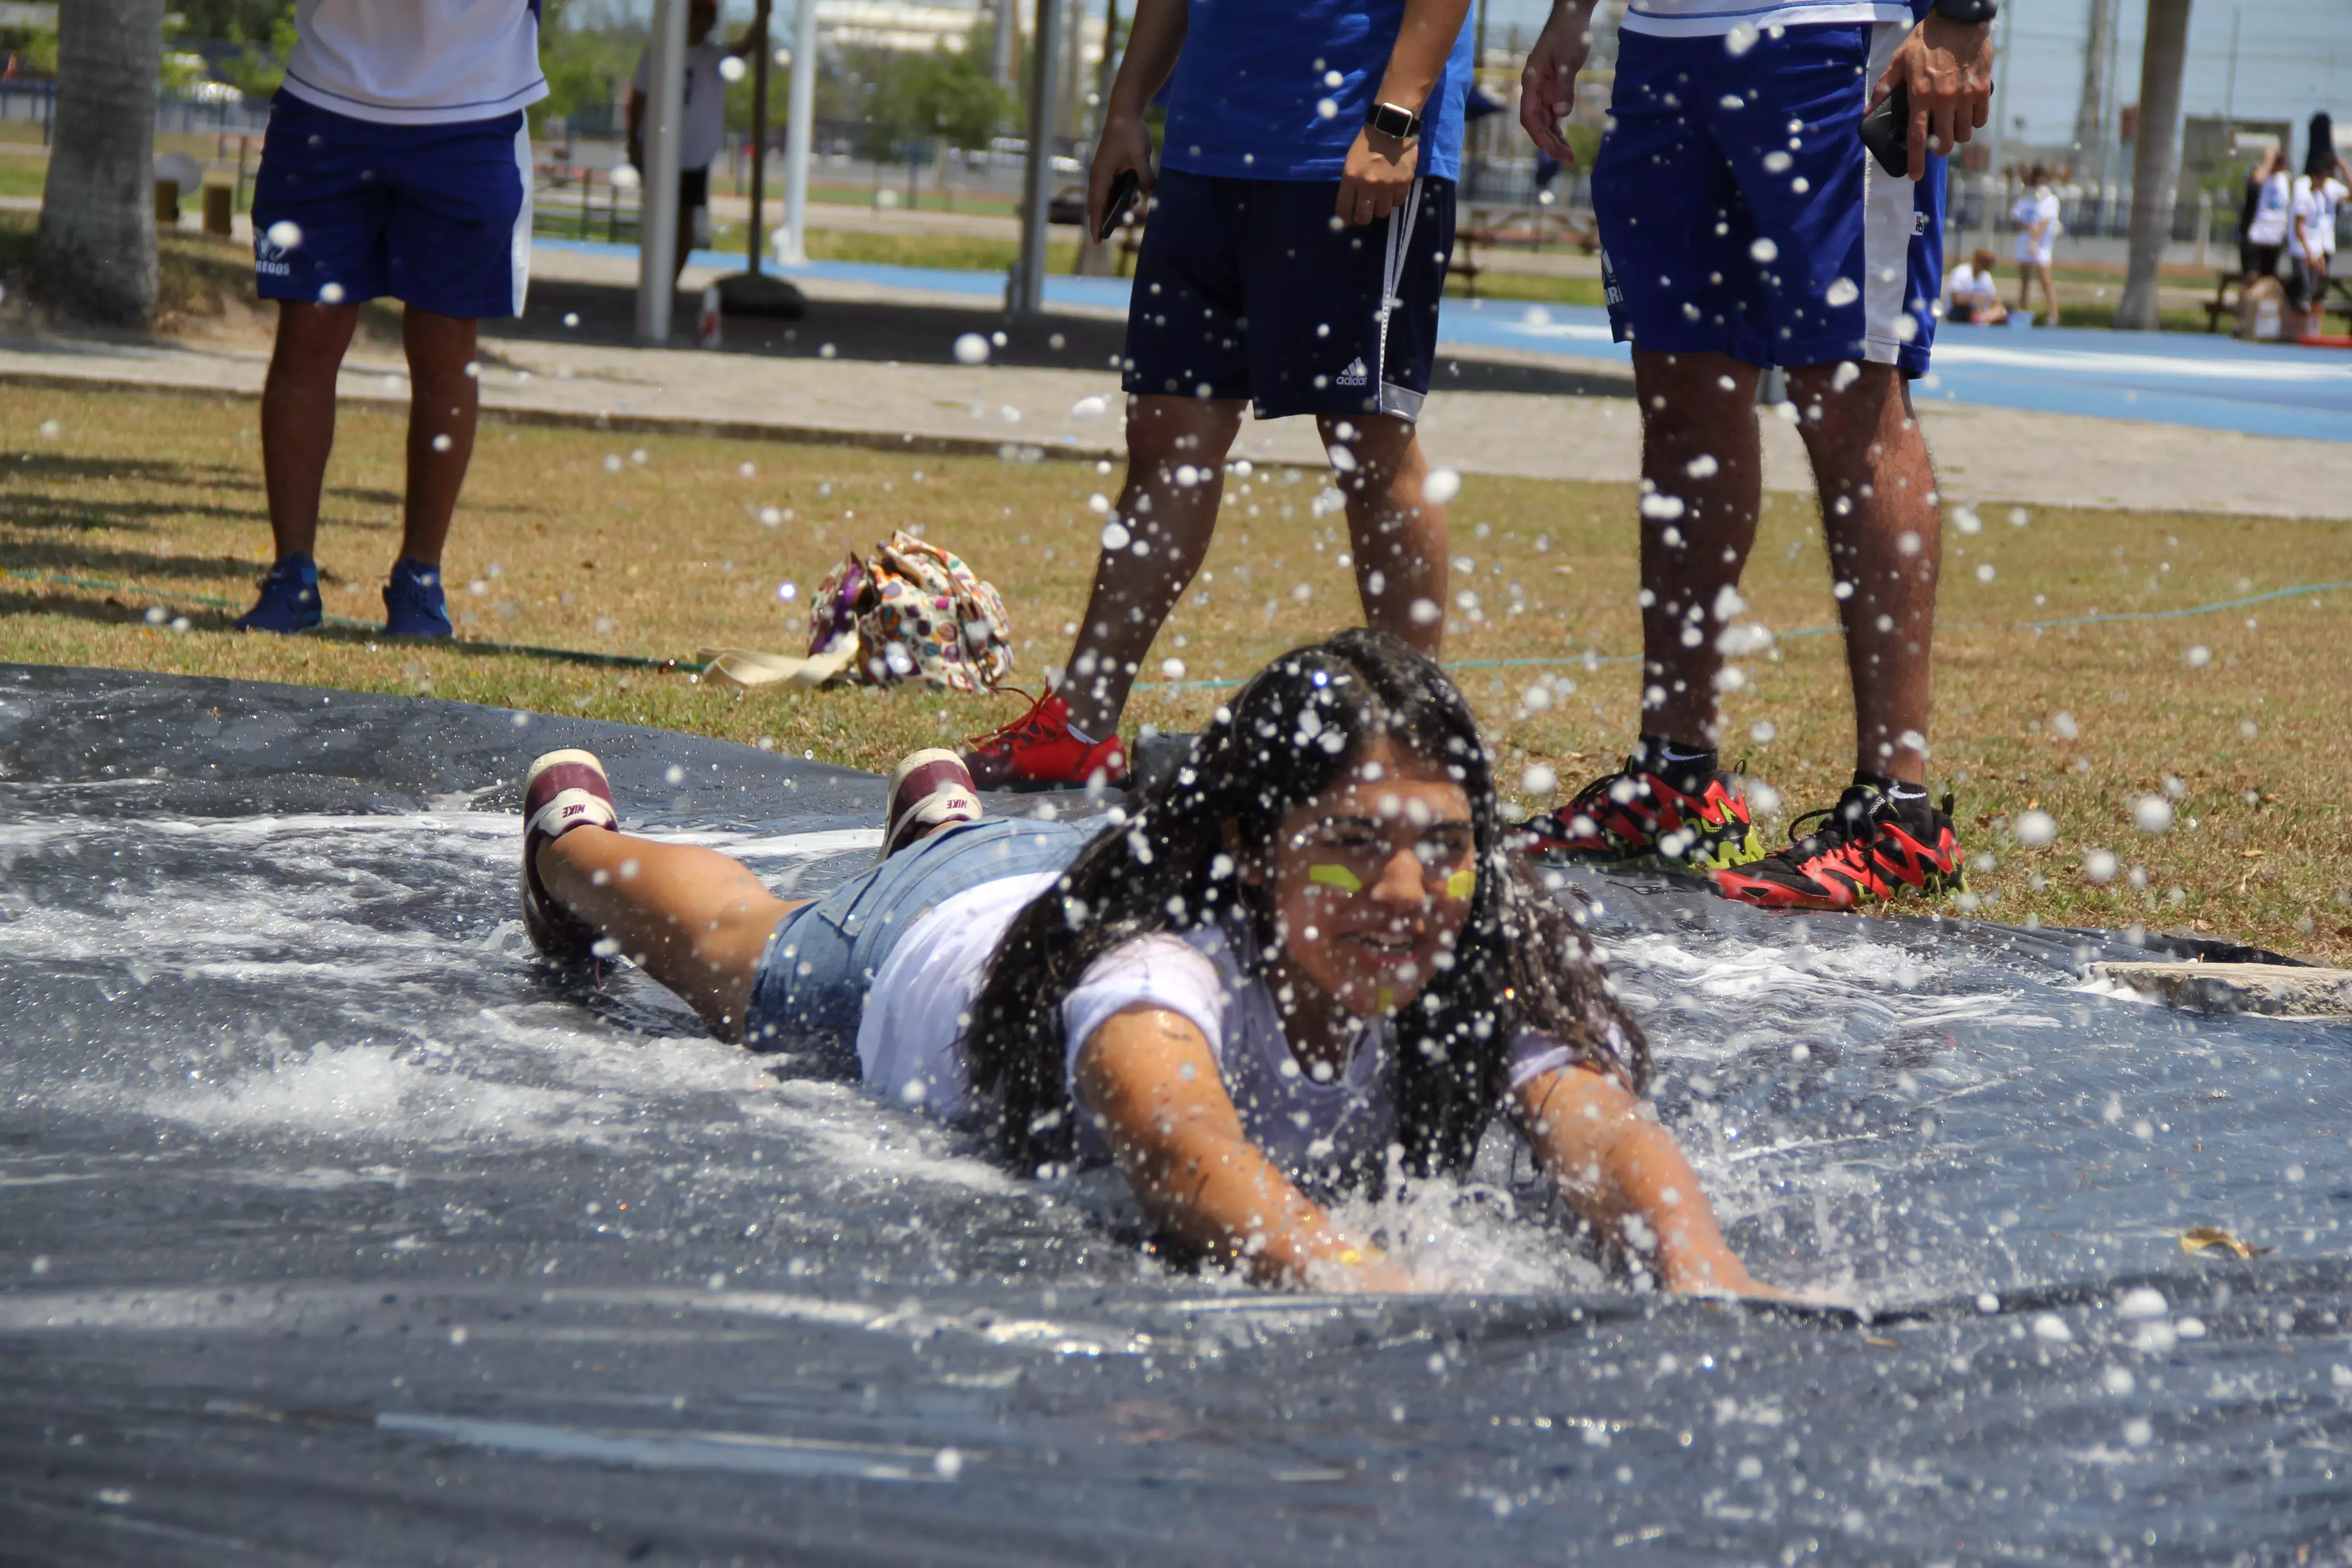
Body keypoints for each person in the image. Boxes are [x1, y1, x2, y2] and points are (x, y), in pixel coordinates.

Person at [519, 632, 1780, 1296]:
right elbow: (1188, 1157)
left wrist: (1704, 1268)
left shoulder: (1455, 970)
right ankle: (573, 843)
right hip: (908, 953)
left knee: (940, 860)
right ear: (1248, 841)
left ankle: (945, 815)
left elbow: (1604, 1132)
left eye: (1442, 850)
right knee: (733, 945)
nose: (1405, 897)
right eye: (1351, 847)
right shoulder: (1161, 976)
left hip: (1032, 897)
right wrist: (1359, 1275)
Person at [1513, 0, 1983, 912]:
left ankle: (1901, 813)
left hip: (1834, 34)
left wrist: (1963, 19)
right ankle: (1676, 776)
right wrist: (1570, 16)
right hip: (1662, 41)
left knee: (1851, 401)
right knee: (1682, 402)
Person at [963, 0, 1475, 789]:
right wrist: (1126, 109)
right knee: (1164, 442)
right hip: (1208, 151)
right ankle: (1082, 722)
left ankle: (1414, 747)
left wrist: (1395, 116)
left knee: (1367, 443)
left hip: (1348, 146)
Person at [234, 0, 546, 638]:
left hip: (474, 106)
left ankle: (420, 580)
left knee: (444, 347)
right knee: (307, 337)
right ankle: (291, 575)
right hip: (327, 96)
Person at [627, 0, 769, 293]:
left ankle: (668, 284)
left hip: (694, 155)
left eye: (708, 16)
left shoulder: (715, 56)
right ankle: (653, 284)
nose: (702, 23)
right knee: (657, 222)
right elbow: (638, 100)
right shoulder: (659, 51)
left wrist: (762, 16)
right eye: (698, 15)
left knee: (685, 223)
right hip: (659, 149)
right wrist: (634, 143)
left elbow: (745, 48)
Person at [2288, 113, 2349, 332]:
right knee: (2303, 291)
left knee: (2318, 293)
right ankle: (2298, 332)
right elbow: (2299, 225)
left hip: (2323, 247)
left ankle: (2313, 332)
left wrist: (2344, 167)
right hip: (2306, 249)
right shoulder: (2302, 187)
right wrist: (2312, 254)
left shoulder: (2331, 187)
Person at [2011, 163, 2061, 326]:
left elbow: (2044, 223)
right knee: (2025, 280)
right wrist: (2026, 227)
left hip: (2042, 247)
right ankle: (2023, 312)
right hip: (2024, 245)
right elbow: (2016, 221)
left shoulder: (2051, 201)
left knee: (2045, 280)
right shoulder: (2026, 200)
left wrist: (2034, 242)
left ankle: (2053, 315)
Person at [2239, 142, 2290, 285]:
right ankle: (2249, 306)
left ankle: (2264, 307)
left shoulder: (2285, 179)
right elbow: (2257, 181)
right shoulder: (2259, 174)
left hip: (2275, 238)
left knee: (2269, 281)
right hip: (2256, 237)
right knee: (2252, 278)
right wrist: (2269, 158)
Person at [1945, 247, 2008, 325]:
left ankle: (1983, 318)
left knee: (2003, 309)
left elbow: (1992, 297)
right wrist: (1978, 298)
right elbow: (1956, 299)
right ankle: (1982, 318)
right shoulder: (1961, 272)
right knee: (1965, 311)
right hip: (1959, 311)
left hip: (1980, 311)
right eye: (1986, 263)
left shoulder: (1986, 276)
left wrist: (1999, 303)